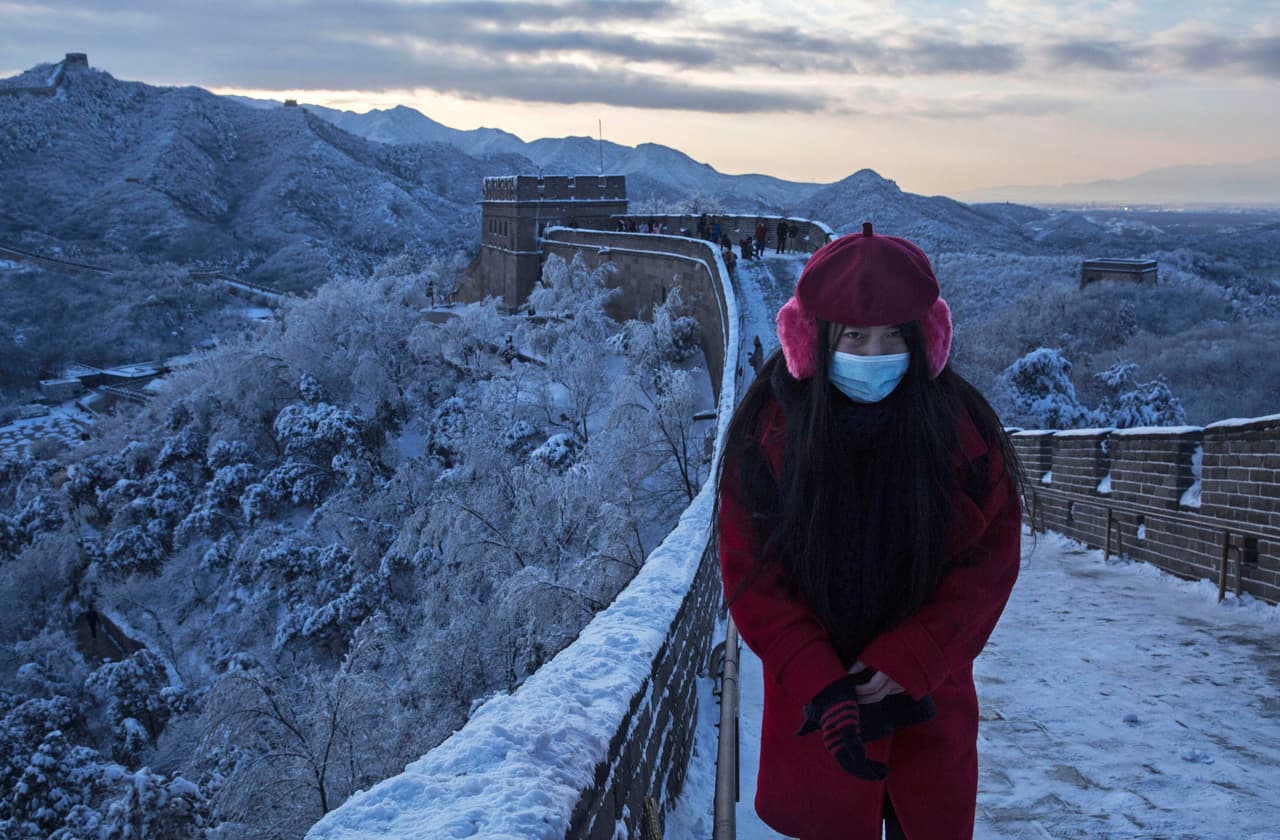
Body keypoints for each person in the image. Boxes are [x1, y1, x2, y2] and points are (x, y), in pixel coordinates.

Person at [717, 221, 1023, 840]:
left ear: (927, 339)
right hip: (819, 721)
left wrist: (911, 658)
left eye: (894, 338)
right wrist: (820, 682)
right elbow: (752, 577)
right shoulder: (769, 436)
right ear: (811, 341)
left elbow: (988, 568)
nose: (875, 356)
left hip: (928, 717)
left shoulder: (963, 436)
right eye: (854, 337)